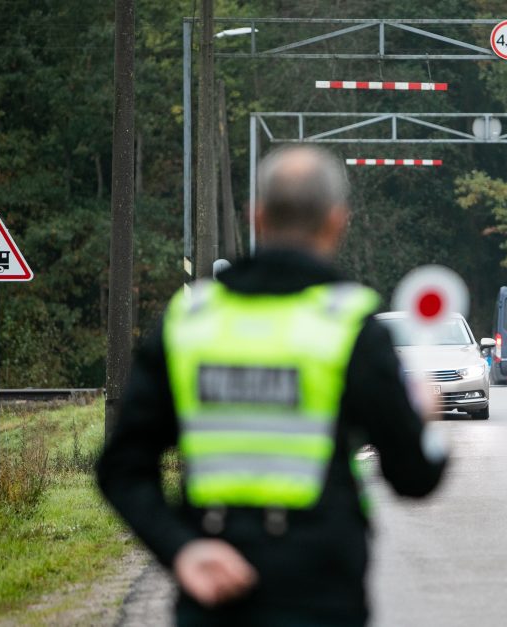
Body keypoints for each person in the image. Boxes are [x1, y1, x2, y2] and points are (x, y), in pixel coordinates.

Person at [96, 145, 448, 626]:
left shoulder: (188, 321)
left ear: (256, 216)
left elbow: (121, 468)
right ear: (337, 221)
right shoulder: (352, 327)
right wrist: (424, 417)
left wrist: (182, 550)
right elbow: (412, 479)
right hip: (321, 597)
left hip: (213, 596)